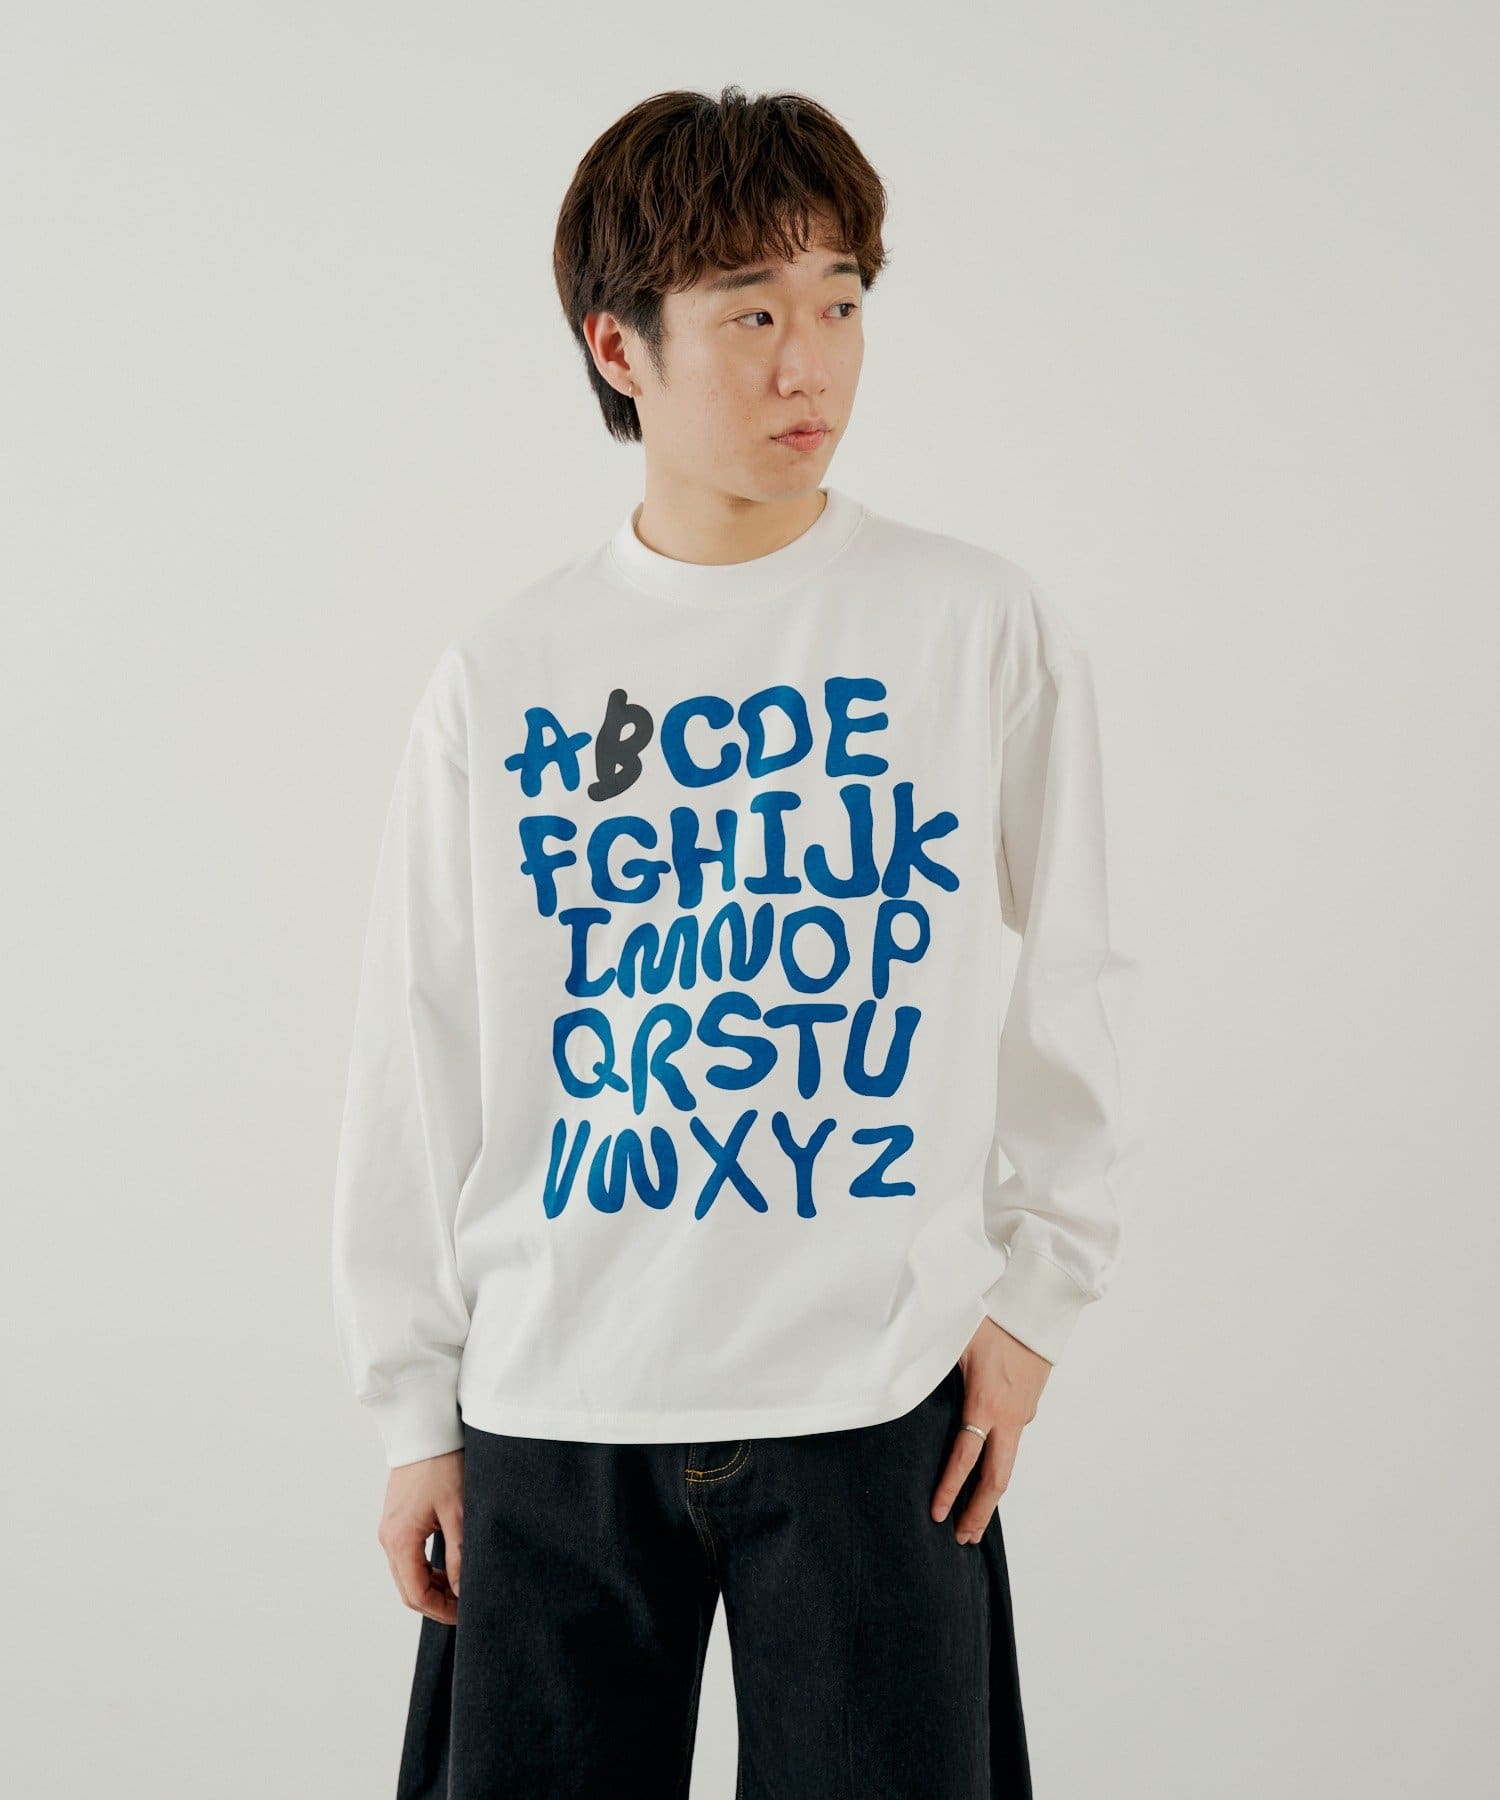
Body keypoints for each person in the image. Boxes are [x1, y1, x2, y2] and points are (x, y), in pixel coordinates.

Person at [330, 83, 1142, 1800]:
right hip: (557, 1403)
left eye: (841, 304)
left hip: (875, 1400)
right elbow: (419, 1038)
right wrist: (412, 1410)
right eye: (752, 315)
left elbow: (1080, 971)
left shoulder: (969, 622)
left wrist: (1035, 1302)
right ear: (617, 345)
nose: (809, 367)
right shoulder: (508, 671)